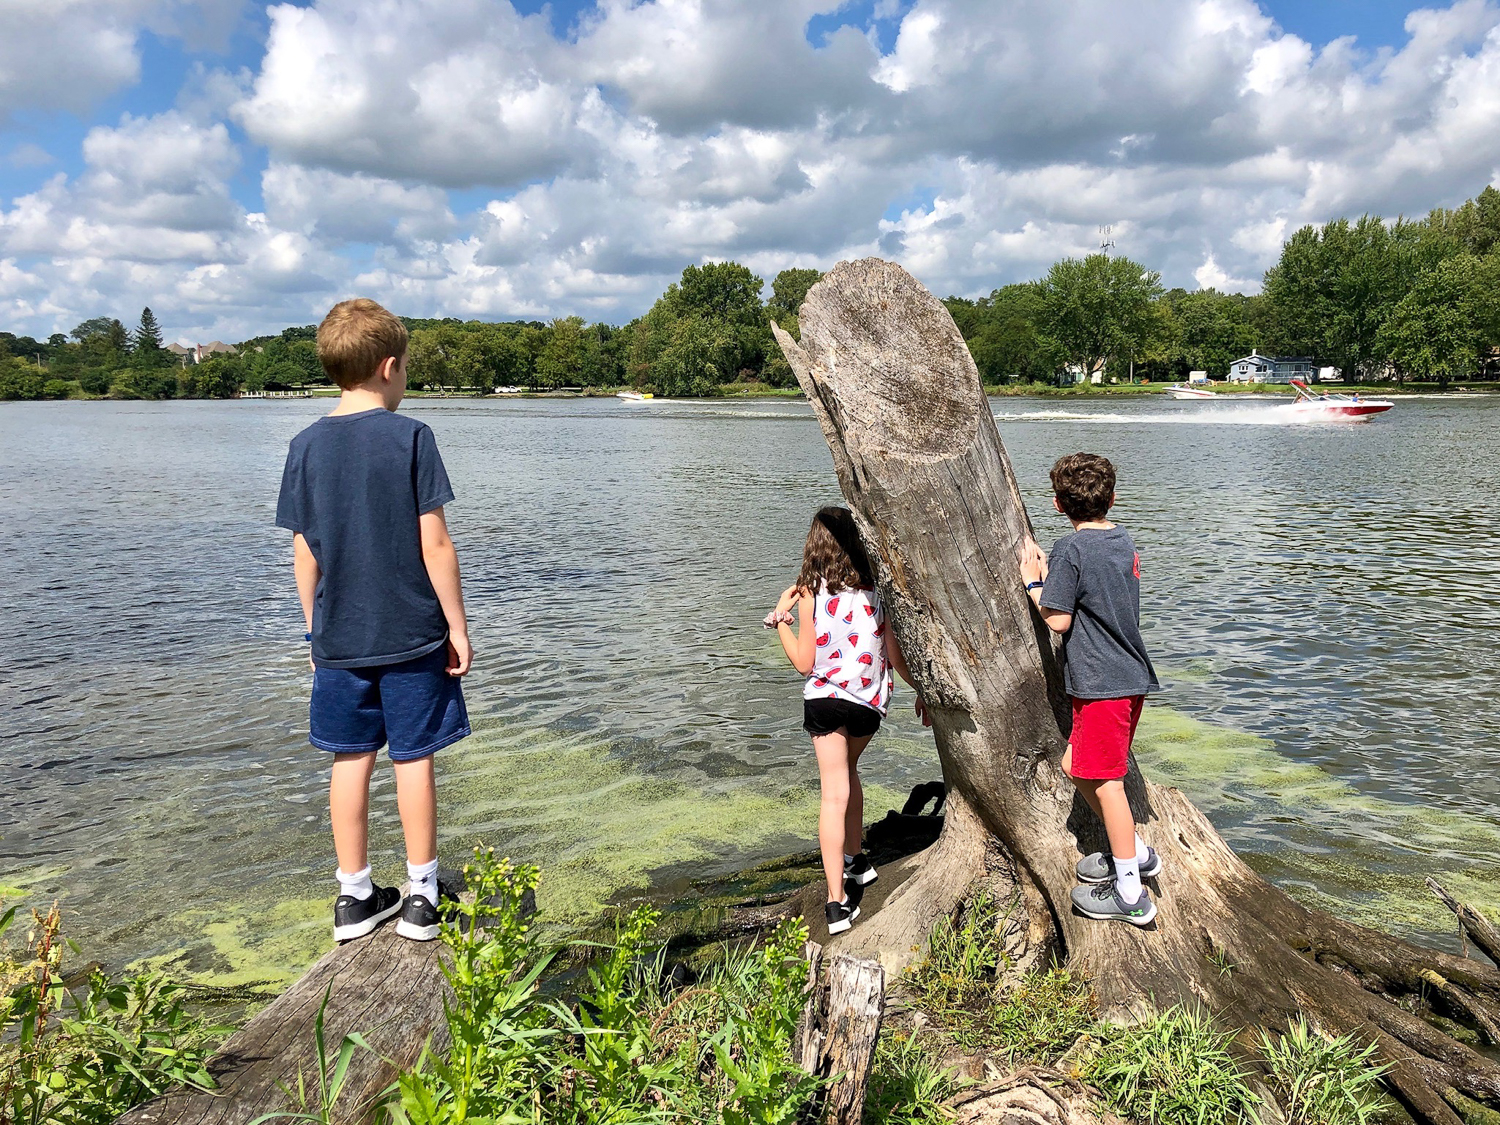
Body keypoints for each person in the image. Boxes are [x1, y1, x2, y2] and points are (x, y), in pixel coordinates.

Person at [275, 298, 474, 944]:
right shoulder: (412, 436)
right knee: (413, 757)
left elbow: (305, 551)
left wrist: (315, 630)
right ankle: (421, 895)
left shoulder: (304, 446)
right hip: (413, 632)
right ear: (390, 366)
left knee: (349, 759)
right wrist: (459, 626)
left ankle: (355, 895)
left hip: (340, 637)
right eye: (406, 366)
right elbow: (435, 543)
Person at [1019, 453, 1161, 926]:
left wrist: (1034, 583)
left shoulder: (1071, 551)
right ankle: (1135, 854)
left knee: (1106, 783)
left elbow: (1058, 619)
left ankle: (1130, 896)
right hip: (1126, 679)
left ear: (1058, 504)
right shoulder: (1124, 541)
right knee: (1073, 765)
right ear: (1113, 497)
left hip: (1102, 685)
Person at [767, 506, 916, 935]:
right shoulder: (877, 593)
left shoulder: (811, 592)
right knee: (849, 773)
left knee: (834, 794)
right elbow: (893, 656)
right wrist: (923, 692)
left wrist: (780, 621)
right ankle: (857, 857)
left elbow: (802, 662)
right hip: (867, 705)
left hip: (825, 701)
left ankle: (836, 904)